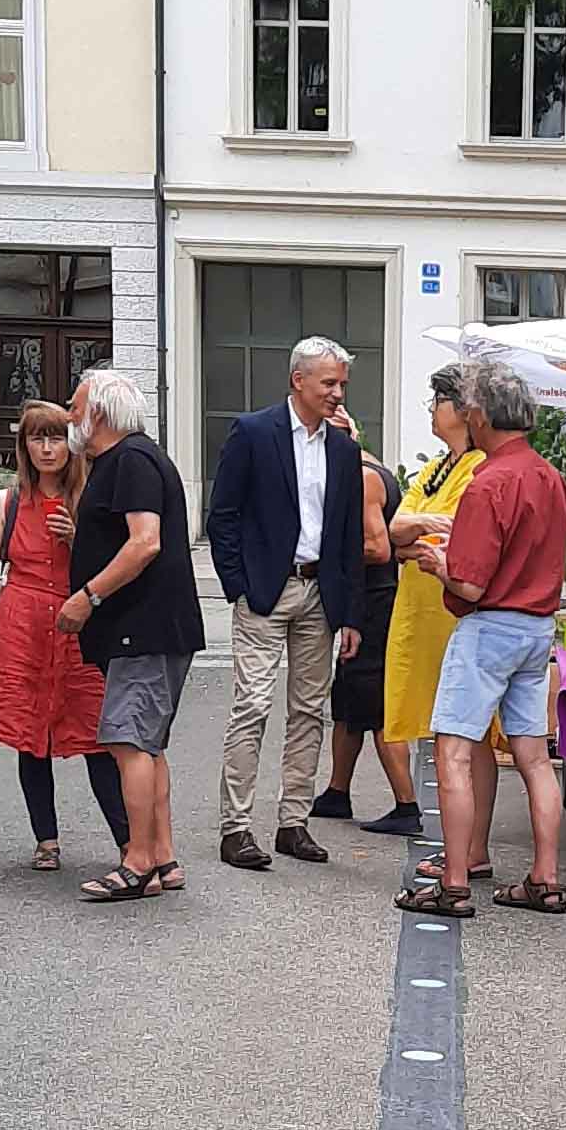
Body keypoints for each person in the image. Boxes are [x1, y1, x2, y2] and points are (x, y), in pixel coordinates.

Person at [396, 362, 566, 919]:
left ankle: (452, 880)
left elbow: (470, 582)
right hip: (536, 626)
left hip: (489, 627)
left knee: (453, 749)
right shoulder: (548, 476)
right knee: (534, 758)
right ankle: (545, 877)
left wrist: (436, 564)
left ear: (480, 414)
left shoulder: (489, 481)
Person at [206, 336, 366, 870]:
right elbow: (222, 514)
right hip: (265, 593)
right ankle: (236, 828)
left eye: (342, 383)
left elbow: (347, 537)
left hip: (321, 594)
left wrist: (350, 614)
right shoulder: (254, 432)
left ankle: (292, 822)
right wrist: (239, 586)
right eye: (329, 383)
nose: (338, 393)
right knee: (251, 706)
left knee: (308, 712)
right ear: (298, 380)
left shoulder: (343, 449)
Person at [59, 370, 206, 902]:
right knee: (146, 744)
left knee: (126, 740)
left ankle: (138, 860)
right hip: (145, 628)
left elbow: (145, 543)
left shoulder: (131, 460)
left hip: (142, 628)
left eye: (75, 407)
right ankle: (162, 857)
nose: (69, 416)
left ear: (98, 412)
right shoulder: (125, 461)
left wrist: (88, 595)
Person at [0, 399, 130, 869]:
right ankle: (46, 839)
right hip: (22, 623)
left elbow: (116, 565)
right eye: (36, 438)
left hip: (79, 622)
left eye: (55, 437)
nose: (46, 448)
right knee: (29, 733)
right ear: (24, 446)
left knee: (95, 734)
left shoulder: (91, 497)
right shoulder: (9, 501)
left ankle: (126, 840)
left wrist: (76, 537)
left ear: (72, 443)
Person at [384, 364, 507, 883]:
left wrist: (419, 537)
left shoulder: (478, 467)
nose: (431, 412)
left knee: (468, 734)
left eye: (437, 402)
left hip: (455, 612)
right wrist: (418, 534)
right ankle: (457, 845)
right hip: (420, 611)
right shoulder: (436, 468)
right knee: (442, 736)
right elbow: (395, 530)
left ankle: (473, 849)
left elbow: (456, 538)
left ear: (463, 410)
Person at [308, 405, 420, 836]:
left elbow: (378, 547)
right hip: (365, 599)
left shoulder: (360, 476)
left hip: (375, 600)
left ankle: (407, 805)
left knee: (374, 705)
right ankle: (337, 792)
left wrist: (324, 557)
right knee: (348, 701)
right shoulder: (364, 468)